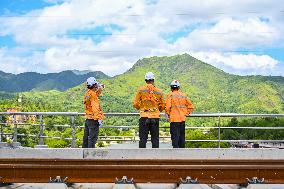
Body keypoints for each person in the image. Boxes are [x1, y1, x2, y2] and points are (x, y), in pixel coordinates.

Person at [133, 72, 165, 148]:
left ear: (145, 80)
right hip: (155, 117)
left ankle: (142, 157)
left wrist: (140, 108)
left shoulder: (141, 90)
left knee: (143, 139)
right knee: (155, 139)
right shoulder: (159, 91)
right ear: (153, 80)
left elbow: (135, 103)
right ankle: (155, 158)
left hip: (144, 116)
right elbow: (163, 105)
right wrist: (158, 110)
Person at [165, 80, 194, 148]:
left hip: (174, 120)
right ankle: (182, 155)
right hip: (182, 120)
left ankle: (176, 156)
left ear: (171, 88)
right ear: (179, 87)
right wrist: (186, 114)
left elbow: (167, 107)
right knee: (182, 138)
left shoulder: (170, 95)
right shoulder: (183, 96)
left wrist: (167, 115)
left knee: (175, 139)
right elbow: (191, 107)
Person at [83, 77, 104, 148]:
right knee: (92, 139)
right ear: (94, 85)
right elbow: (95, 108)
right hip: (93, 120)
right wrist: (99, 119)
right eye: (96, 84)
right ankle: (90, 156)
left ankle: (83, 156)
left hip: (88, 119)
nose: (97, 85)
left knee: (86, 138)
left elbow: (95, 95)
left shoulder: (88, 93)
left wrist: (100, 88)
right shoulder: (93, 95)